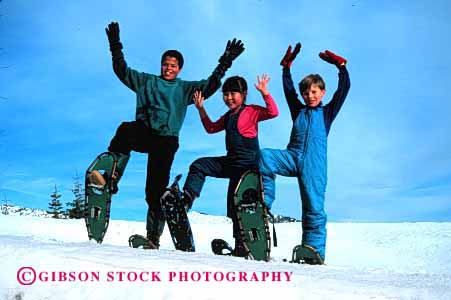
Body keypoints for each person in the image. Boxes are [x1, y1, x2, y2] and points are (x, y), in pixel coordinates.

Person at [96, 21, 245, 249]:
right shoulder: (146, 81)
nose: (168, 68)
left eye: (173, 66)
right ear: (161, 65)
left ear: (179, 69)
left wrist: (225, 62)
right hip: (145, 132)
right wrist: (115, 45)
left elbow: (210, 85)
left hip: (166, 141)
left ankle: (152, 238)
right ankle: (112, 176)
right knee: (125, 130)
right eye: (165, 64)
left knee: (154, 191)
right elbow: (122, 71)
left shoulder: (184, 88)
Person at [259, 42, 351, 264]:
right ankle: (263, 202)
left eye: (314, 91)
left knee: (313, 207)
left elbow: (344, 89)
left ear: (322, 92)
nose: (310, 96)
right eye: (306, 92)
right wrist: (286, 68)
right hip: (292, 156)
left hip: (314, 165)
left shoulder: (327, 112)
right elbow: (289, 91)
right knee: (265, 156)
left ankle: (313, 250)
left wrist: (341, 67)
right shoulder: (298, 109)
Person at [169, 74, 278, 256]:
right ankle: (186, 200)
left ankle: (242, 246)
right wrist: (201, 109)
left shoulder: (251, 111)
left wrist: (265, 93)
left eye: (233, 93)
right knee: (199, 165)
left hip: (247, 167)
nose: (228, 98)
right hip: (231, 163)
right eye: (225, 94)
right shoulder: (228, 117)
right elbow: (211, 128)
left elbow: (273, 112)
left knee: (237, 206)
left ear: (243, 94)